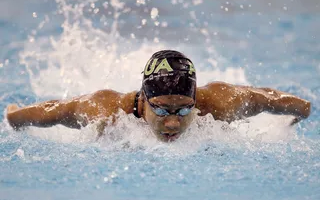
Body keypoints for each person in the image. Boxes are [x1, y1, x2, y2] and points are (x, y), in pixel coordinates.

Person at [6, 50, 311, 142]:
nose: (174, 124)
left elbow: (266, 98)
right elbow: (53, 110)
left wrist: (303, 110)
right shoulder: (105, 110)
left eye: (183, 110)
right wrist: (14, 116)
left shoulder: (219, 103)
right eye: (163, 111)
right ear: (143, 100)